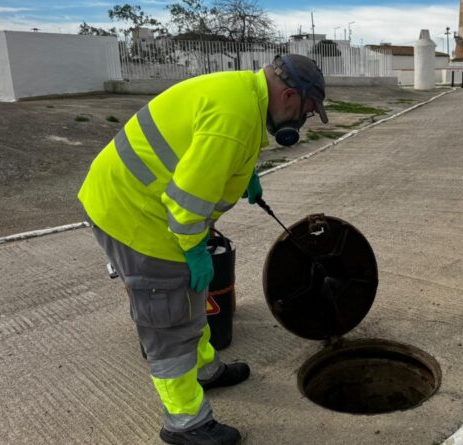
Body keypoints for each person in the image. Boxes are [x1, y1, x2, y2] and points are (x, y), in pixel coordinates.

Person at [78, 54, 328, 445]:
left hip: (146, 202)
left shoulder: (244, 95)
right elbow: (186, 202)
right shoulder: (235, 118)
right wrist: (194, 251)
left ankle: (204, 370)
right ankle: (184, 422)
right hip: (134, 213)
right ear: (289, 96)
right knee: (169, 321)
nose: (302, 121)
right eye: (307, 111)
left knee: (190, 297)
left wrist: (244, 173)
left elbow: (203, 148)